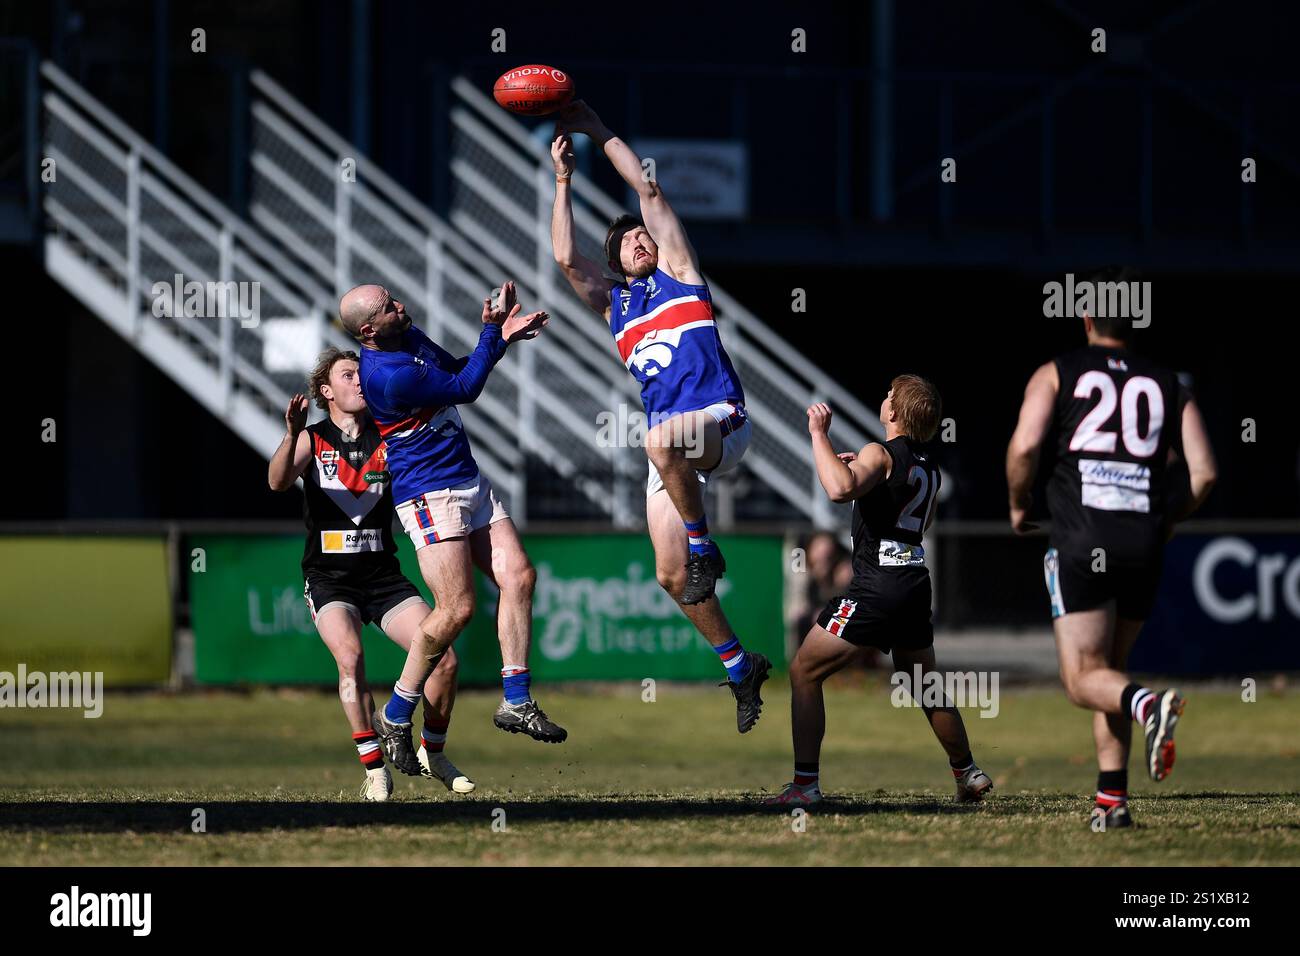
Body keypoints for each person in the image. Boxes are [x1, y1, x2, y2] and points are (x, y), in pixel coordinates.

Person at [549, 100, 770, 733]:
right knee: (671, 576)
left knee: (661, 441)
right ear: (617, 262)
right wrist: (562, 182)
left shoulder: (680, 273)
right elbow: (566, 258)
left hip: (720, 421)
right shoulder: (616, 308)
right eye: (628, 241)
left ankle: (707, 547)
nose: (642, 239)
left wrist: (593, 127)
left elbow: (647, 187)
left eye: (645, 234)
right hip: (671, 453)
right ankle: (739, 665)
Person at [1006, 275, 1217, 828]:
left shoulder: (1057, 371)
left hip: (1082, 535)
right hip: (1143, 539)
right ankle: (1112, 803)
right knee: (1111, 673)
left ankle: (1151, 706)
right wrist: (1166, 517)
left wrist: (1017, 502)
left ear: (1086, 321)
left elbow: (1025, 445)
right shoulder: (1170, 383)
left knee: (1082, 680)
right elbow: (1205, 472)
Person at [338, 280, 566, 778]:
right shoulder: (388, 375)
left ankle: (516, 699)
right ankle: (397, 713)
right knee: (457, 609)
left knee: (520, 577)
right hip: (428, 493)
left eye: (396, 296)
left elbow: (458, 372)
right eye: (389, 306)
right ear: (370, 331)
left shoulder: (406, 337)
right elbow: (468, 389)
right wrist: (494, 333)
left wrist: (497, 337)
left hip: (467, 478)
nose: (402, 304)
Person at [765, 377, 993, 806]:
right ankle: (968, 773)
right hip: (913, 582)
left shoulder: (879, 451)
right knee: (924, 685)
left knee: (804, 672)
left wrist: (819, 436)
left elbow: (838, 489)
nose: (883, 397)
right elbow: (912, 523)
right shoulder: (930, 468)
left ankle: (805, 787)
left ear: (894, 413)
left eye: (888, 394)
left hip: (877, 584)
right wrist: (860, 477)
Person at [268, 347, 473, 802]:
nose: (359, 381)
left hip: (384, 577)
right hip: (329, 579)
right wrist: (291, 434)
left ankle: (432, 752)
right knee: (350, 658)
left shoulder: (389, 435)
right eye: (347, 375)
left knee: (447, 660)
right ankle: (375, 770)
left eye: (361, 374)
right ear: (326, 391)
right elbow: (278, 482)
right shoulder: (313, 438)